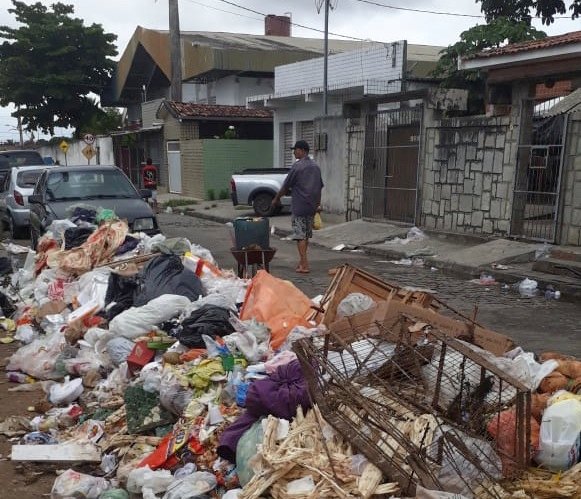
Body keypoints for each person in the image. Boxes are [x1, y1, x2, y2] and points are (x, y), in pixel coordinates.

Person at [272, 140, 323, 274]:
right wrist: (318, 205)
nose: (294, 152)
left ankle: (304, 264)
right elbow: (319, 187)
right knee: (305, 236)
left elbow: (286, 186)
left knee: (300, 236)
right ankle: (302, 262)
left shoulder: (297, 166)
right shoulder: (316, 167)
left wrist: (276, 198)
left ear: (302, 150)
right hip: (311, 207)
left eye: (295, 150)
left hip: (299, 206)